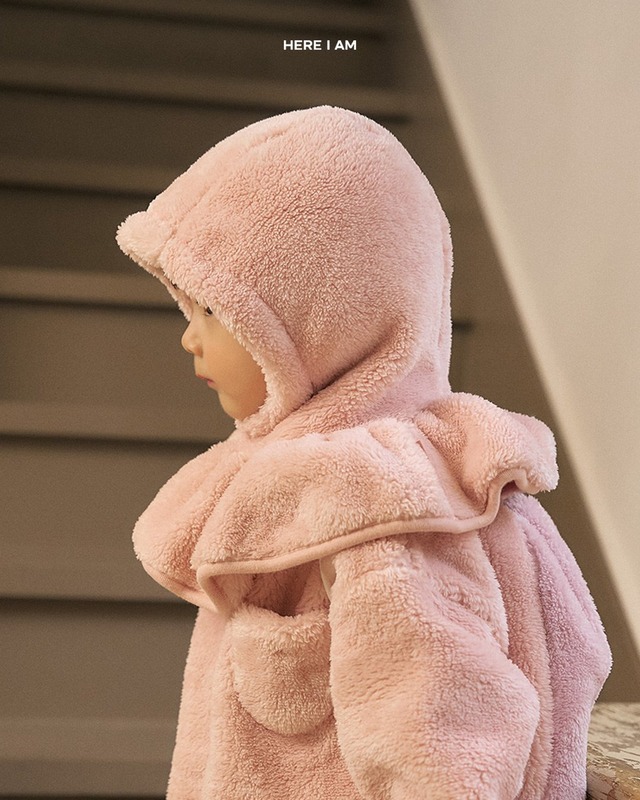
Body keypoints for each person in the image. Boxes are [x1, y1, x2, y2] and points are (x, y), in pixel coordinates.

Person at [116, 106, 611, 799]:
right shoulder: (306, 481)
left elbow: (439, 742)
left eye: (215, 312)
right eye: (188, 309)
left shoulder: (376, 507)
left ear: (320, 319)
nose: (188, 338)